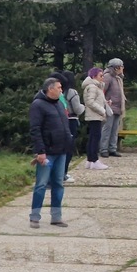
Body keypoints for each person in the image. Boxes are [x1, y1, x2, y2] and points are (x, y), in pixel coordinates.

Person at [29, 77, 74, 228]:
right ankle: (34, 217)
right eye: (59, 88)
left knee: (58, 184)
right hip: (47, 152)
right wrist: (40, 151)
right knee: (41, 184)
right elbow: (35, 129)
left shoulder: (59, 103)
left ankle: (56, 216)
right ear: (50, 89)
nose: (61, 90)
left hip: (61, 151)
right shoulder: (38, 105)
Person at [81, 68, 109, 170]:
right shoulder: (92, 87)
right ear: (94, 76)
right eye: (100, 76)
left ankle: (90, 160)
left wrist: (105, 103)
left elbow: (97, 100)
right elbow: (90, 102)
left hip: (95, 115)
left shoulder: (97, 87)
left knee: (93, 137)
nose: (102, 78)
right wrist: (102, 110)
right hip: (94, 115)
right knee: (95, 138)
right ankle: (94, 160)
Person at [59, 71, 83, 183]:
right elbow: (78, 109)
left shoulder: (59, 91)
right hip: (72, 120)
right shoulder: (72, 92)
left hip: (60, 120)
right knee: (69, 148)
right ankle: (63, 173)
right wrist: (83, 107)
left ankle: (60, 172)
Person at [100, 58, 126, 158]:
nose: (123, 68)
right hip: (109, 107)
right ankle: (103, 149)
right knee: (107, 128)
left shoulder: (118, 78)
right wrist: (106, 102)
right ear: (116, 67)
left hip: (117, 107)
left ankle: (112, 148)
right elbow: (102, 91)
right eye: (121, 66)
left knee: (115, 129)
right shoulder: (108, 77)